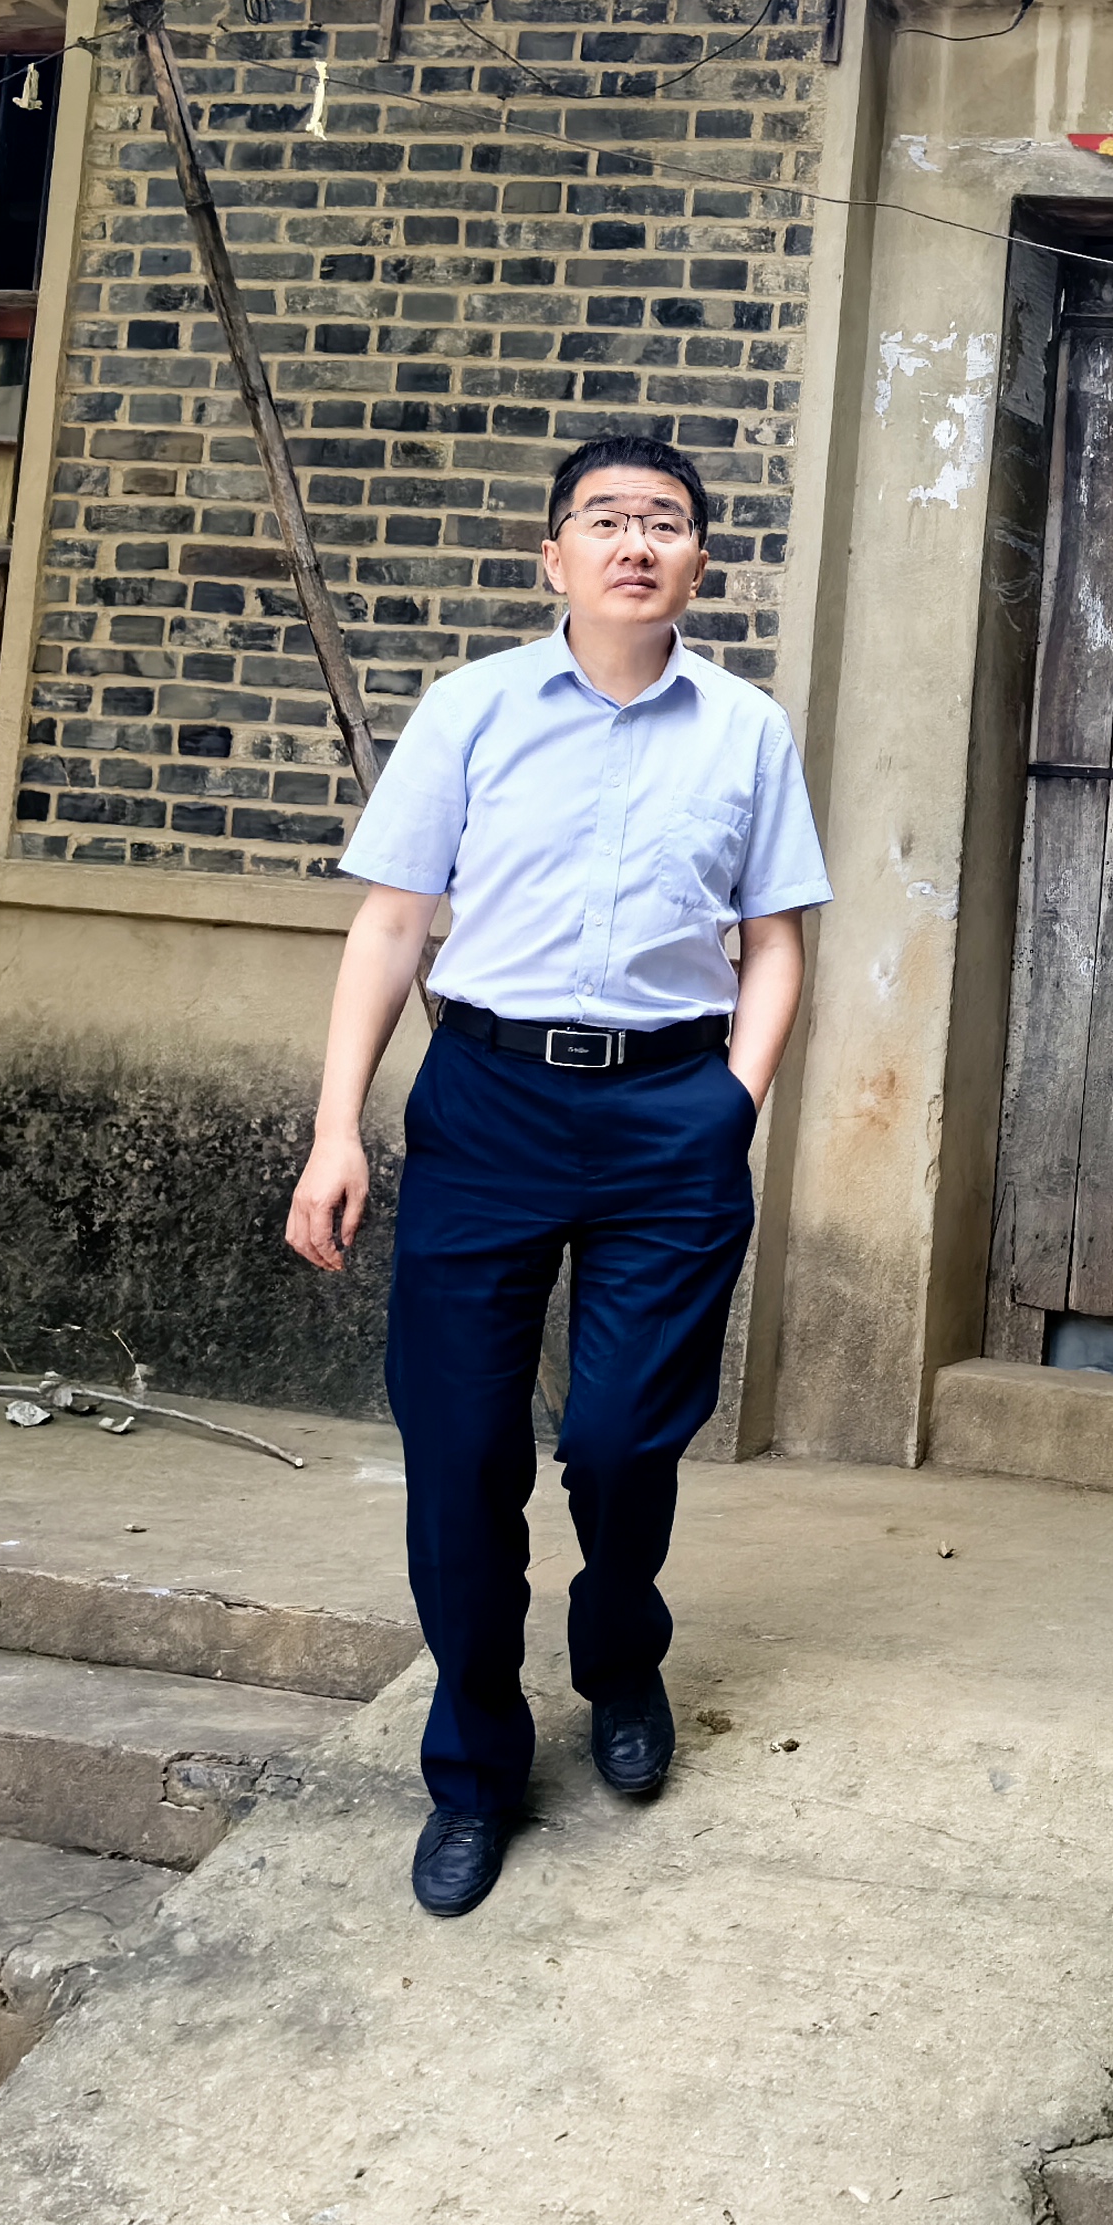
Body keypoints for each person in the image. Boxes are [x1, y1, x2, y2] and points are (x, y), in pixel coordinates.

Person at [283, 432, 830, 1919]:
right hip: (489, 1101)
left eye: (665, 522)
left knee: (621, 1437)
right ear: (555, 556)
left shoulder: (747, 731)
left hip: (670, 1113)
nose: (635, 542)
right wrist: (340, 1129)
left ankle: (620, 1654)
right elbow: (393, 926)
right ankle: (473, 1772)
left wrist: (730, 1105)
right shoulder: (471, 711)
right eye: (605, 519)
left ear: (699, 563)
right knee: (462, 1454)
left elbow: (776, 940)